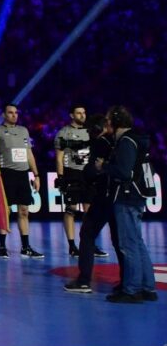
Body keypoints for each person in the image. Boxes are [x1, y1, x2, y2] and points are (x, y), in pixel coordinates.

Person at [100, 106, 157, 304]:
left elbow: (124, 172)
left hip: (127, 196)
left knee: (128, 245)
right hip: (137, 196)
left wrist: (104, 166)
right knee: (138, 242)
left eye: (108, 119)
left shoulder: (126, 142)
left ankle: (132, 290)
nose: (106, 123)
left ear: (115, 122)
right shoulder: (137, 138)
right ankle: (148, 287)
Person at [64, 120, 117, 294]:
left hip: (104, 195)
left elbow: (93, 171)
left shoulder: (101, 142)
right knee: (120, 240)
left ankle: (84, 281)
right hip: (121, 197)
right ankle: (130, 283)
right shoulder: (122, 141)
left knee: (87, 233)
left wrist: (88, 174)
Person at [0, 103, 43, 259]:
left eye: (16, 112)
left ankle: (26, 247)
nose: (14, 115)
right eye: (10, 112)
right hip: (7, 174)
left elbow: (29, 154)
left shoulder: (24, 131)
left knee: (24, 211)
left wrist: (36, 175)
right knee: (5, 211)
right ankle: (2, 247)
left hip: (23, 175)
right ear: (4, 115)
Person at [54, 103, 101, 258]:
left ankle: (89, 243)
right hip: (72, 173)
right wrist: (61, 177)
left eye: (84, 112)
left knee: (89, 210)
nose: (82, 115)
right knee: (71, 209)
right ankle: (72, 246)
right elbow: (59, 158)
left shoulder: (91, 131)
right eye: (79, 113)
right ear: (72, 115)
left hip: (89, 174)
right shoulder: (64, 133)